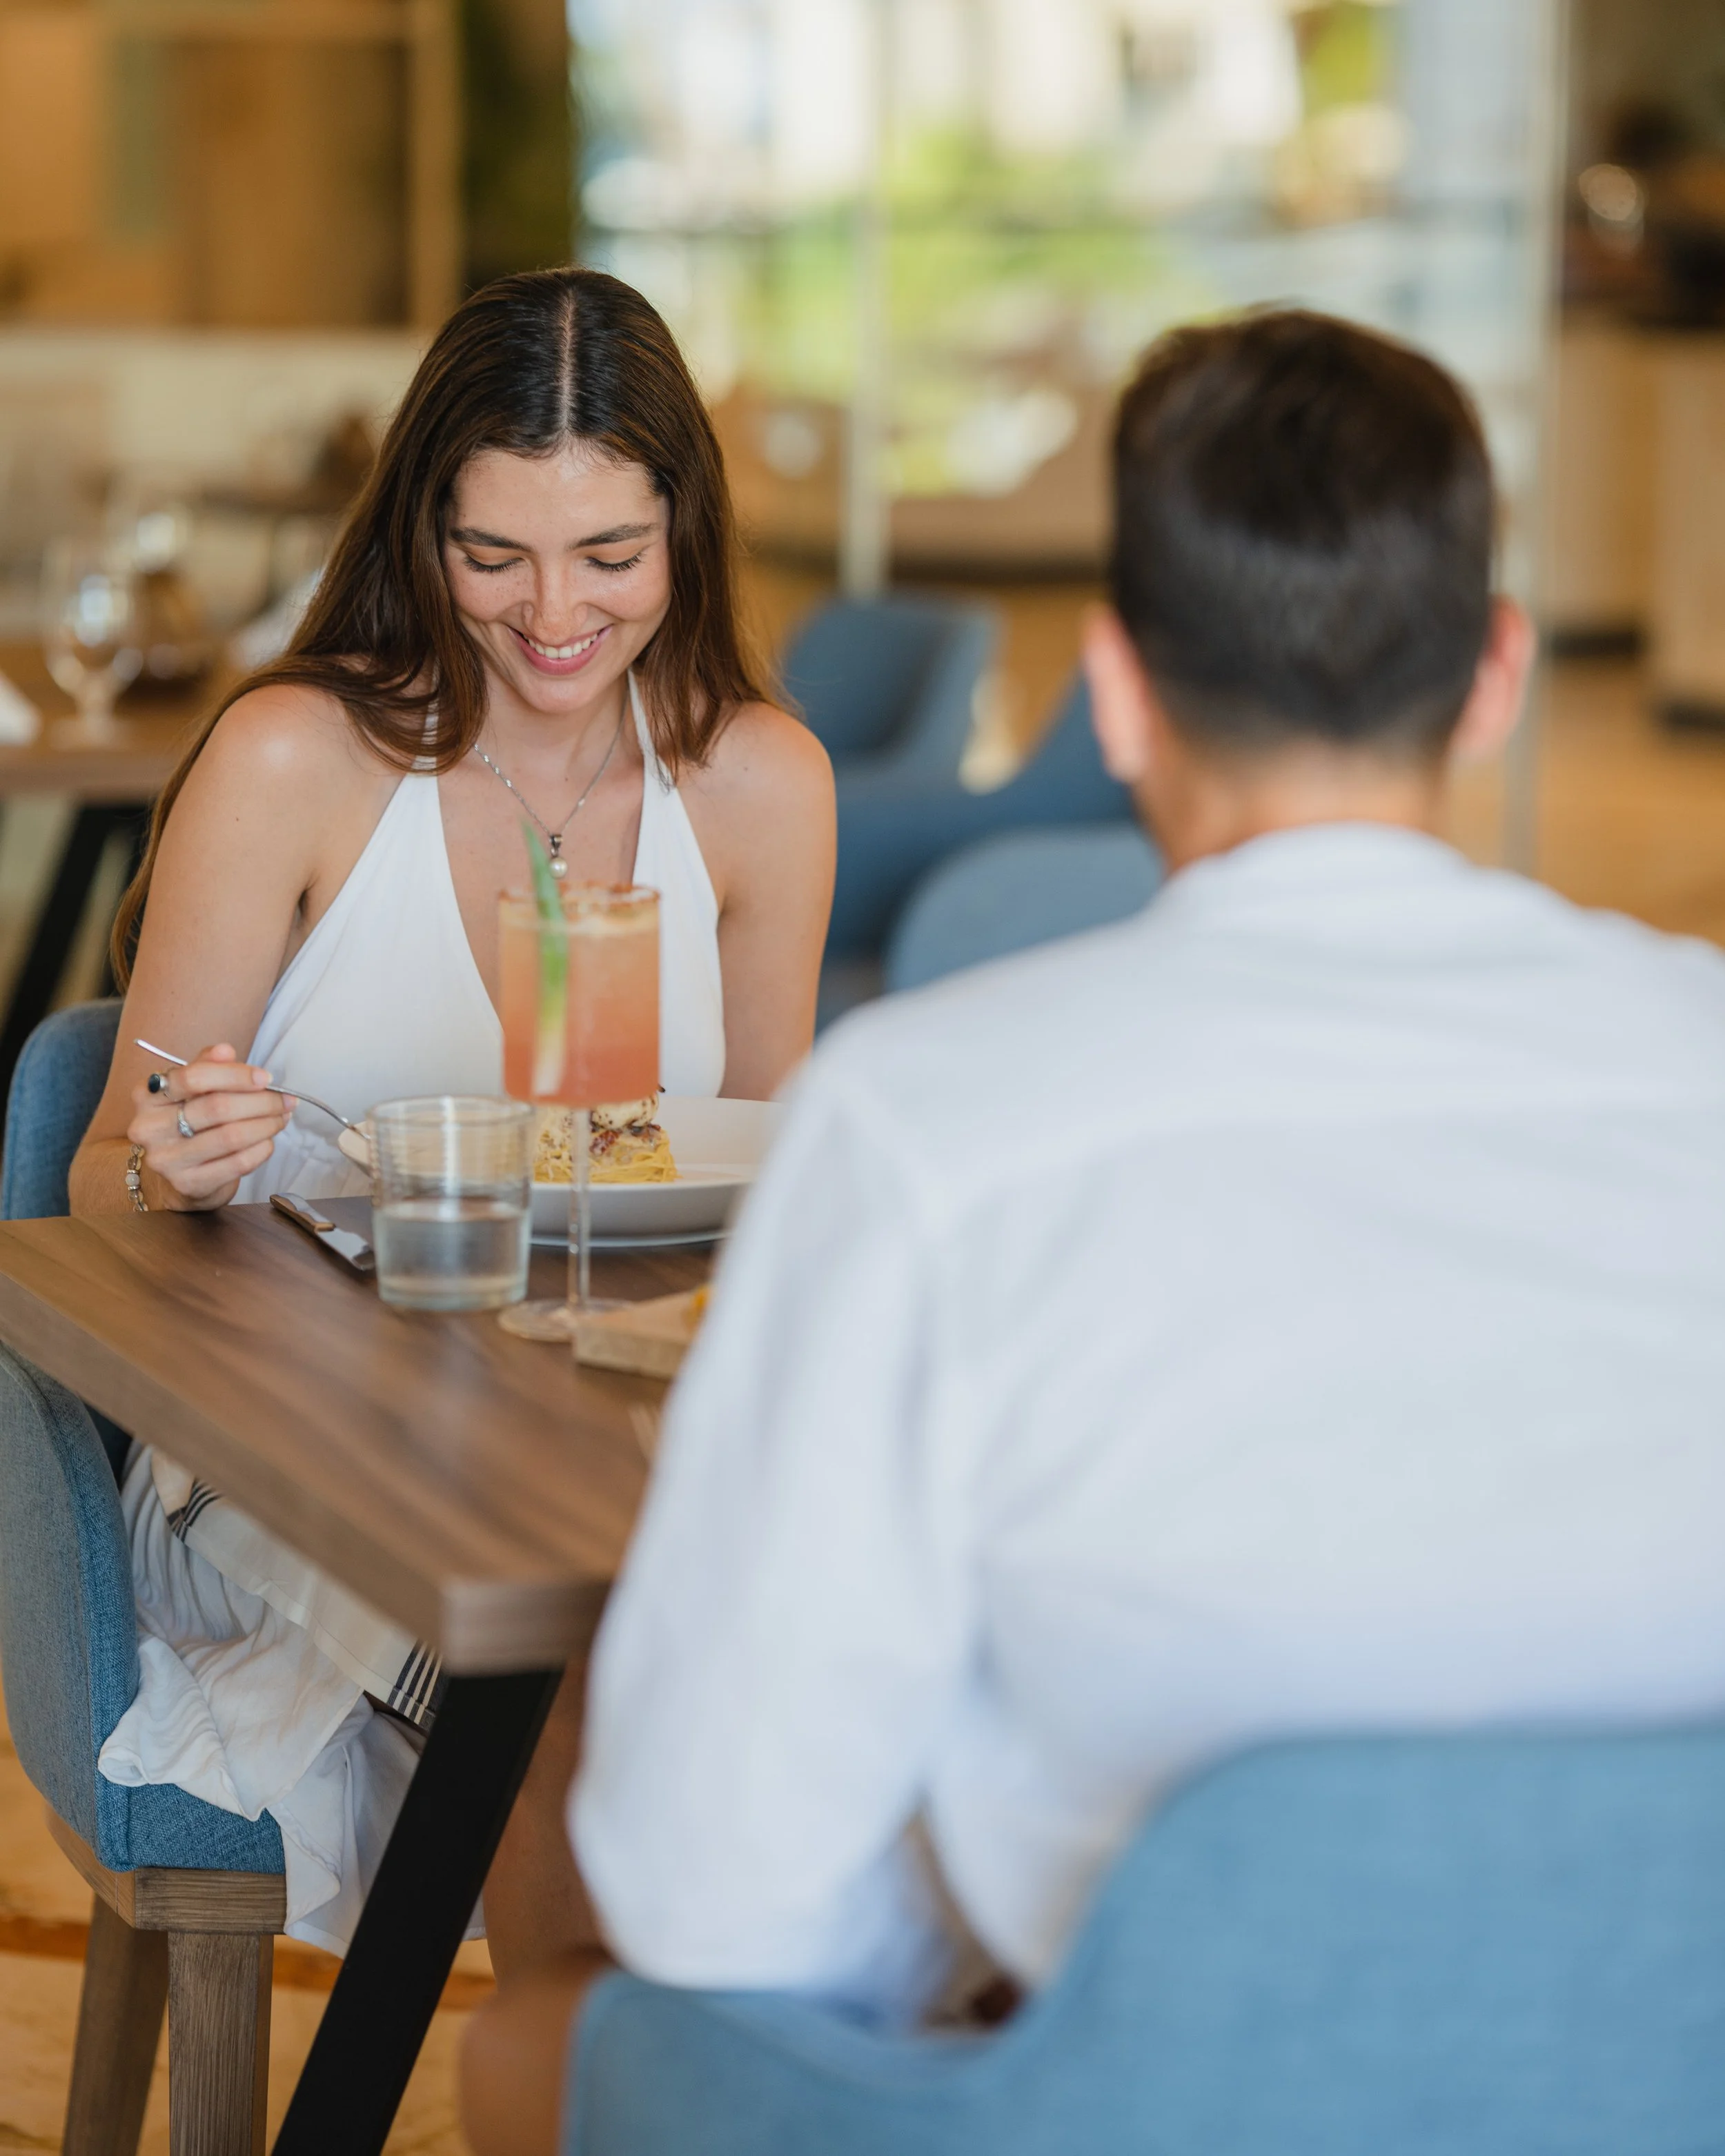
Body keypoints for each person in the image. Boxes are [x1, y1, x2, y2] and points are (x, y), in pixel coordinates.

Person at [462, 307, 1725, 2153]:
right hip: (1661, 2070)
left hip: (1121, 2104)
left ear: (1114, 688)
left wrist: (963, 1902)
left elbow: (714, 1898)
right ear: (1496, 676)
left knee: (556, 2014)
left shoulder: (922, 1123)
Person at [63, 268, 835, 1961]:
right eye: (493, 557)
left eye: (609, 558)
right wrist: (166, 1157)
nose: (552, 616)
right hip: (284, 1456)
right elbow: (103, 1178)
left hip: (593, 1441)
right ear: (424, 532)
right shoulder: (296, 758)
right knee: (596, 1692)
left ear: (684, 535)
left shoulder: (760, 784)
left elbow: (775, 1194)